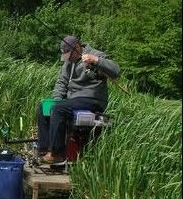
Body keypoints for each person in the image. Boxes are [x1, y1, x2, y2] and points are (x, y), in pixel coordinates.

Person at [37, 36, 121, 164]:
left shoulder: (95, 55)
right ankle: (44, 151)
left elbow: (116, 71)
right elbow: (61, 83)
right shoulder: (68, 63)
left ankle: (57, 153)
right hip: (73, 101)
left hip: (92, 99)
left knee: (59, 109)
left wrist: (96, 60)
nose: (68, 58)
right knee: (44, 107)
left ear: (76, 47)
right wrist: (57, 100)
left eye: (69, 55)